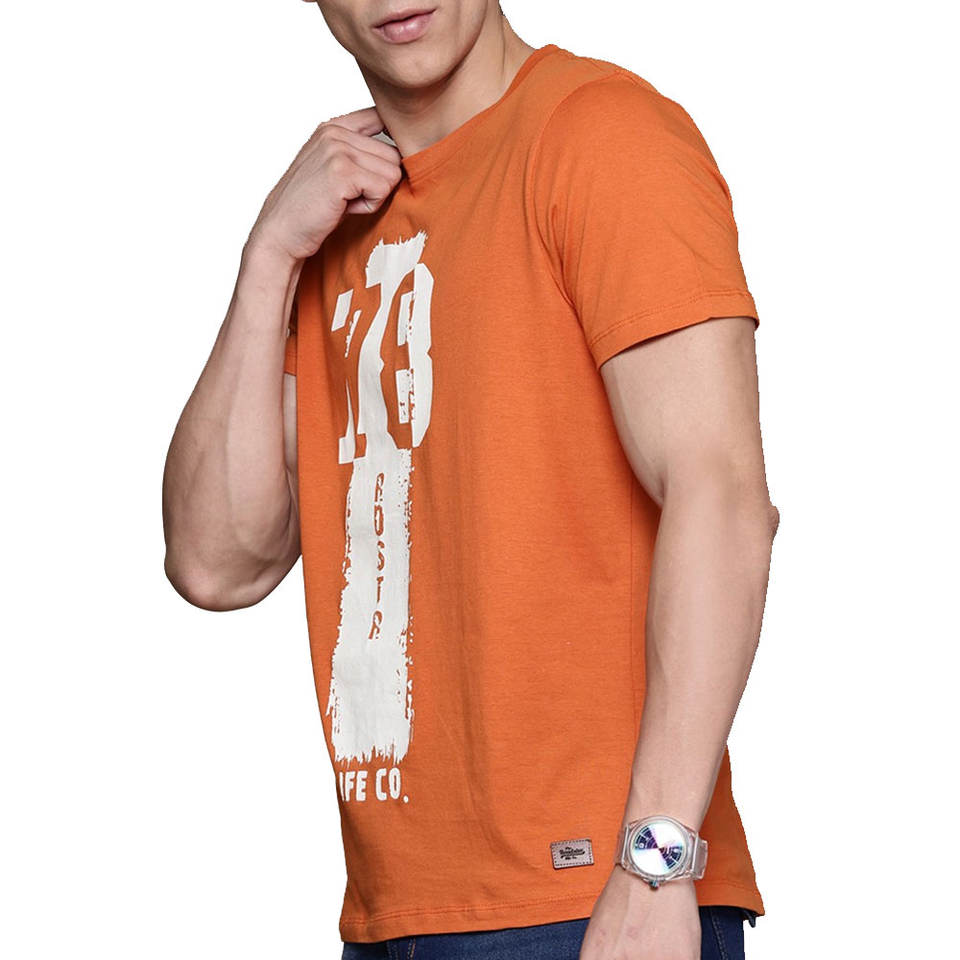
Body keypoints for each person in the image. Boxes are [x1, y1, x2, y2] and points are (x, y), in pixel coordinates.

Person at [161, 2, 779, 958]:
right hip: (398, 914)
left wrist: (654, 867)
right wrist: (268, 258)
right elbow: (215, 563)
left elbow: (723, 497)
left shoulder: (599, 136)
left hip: (593, 897)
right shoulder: (333, 218)